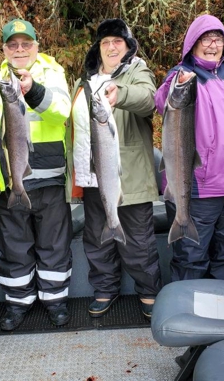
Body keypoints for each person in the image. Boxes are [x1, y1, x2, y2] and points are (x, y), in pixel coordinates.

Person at [0, 19, 73, 331]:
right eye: (13, 44)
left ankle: (55, 300)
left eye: (25, 44)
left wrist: (32, 90)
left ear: (36, 47)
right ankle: (18, 303)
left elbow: (63, 111)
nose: (19, 49)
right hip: (9, 183)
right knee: (14, 246)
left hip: (49, 178)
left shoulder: (53, 73)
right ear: (3, 49)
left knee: (53, 245)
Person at [66, 18, 162, 320]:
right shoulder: (84, 81)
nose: (111, 46)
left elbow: (149, 101)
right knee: (96, 237)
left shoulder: (138, 71)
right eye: (105, 42)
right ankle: (104, 287)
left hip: (128, 175)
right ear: (98, 47)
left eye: (117, 41)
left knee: (138, 239)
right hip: (92, 175)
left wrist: (119, 93)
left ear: (128, 46)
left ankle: (149, 290)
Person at [154, 14, 224, 282]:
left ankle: (223, 309)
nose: (212, 44)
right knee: (191, 257)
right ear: (193, 43)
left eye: (218, 39)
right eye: (205, 38)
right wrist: (174, 84)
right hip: (201, 187)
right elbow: (161, 102)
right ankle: (188, 315)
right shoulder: (183, 75)